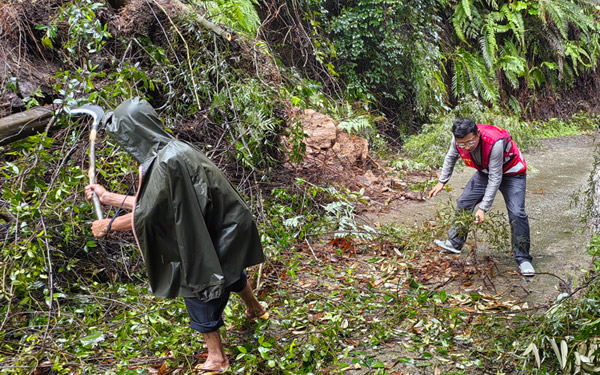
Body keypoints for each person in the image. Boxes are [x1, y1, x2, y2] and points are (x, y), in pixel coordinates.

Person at [85, 97, 268, 372]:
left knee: (198, 282)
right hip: (227, 225)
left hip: (221, 229)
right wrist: (107, 196)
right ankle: (255, 308)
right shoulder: (171, 151)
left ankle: (217, 359)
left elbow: (151, 214)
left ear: (135, 133)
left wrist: (108, 226)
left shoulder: (165, 163)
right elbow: (154, 202)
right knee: (227, 268)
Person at [428, 117, 535, 276]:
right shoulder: (458, 140)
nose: (466, 147)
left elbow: (496, 178)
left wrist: (483, 208)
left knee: (517, 213)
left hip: (512, 174)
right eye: (462, 144)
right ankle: (455, 243)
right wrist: (442, 181)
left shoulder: (495, 143)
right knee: (464, 201)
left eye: (470, 143)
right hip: (485, 172)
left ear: (477, 134)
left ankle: (523, 258)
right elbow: (450, 157)